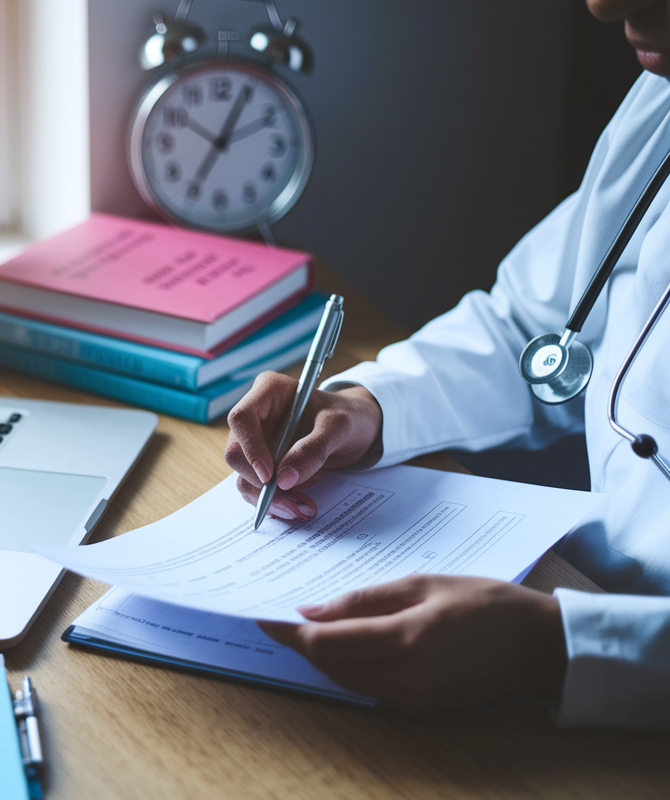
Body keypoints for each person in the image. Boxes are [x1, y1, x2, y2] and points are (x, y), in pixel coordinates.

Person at [225, 0, 670, 728]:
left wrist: (562, 651)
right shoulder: (660, 100)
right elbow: (534, 328)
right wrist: (367, 407)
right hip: (557, 600)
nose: (604, 4)